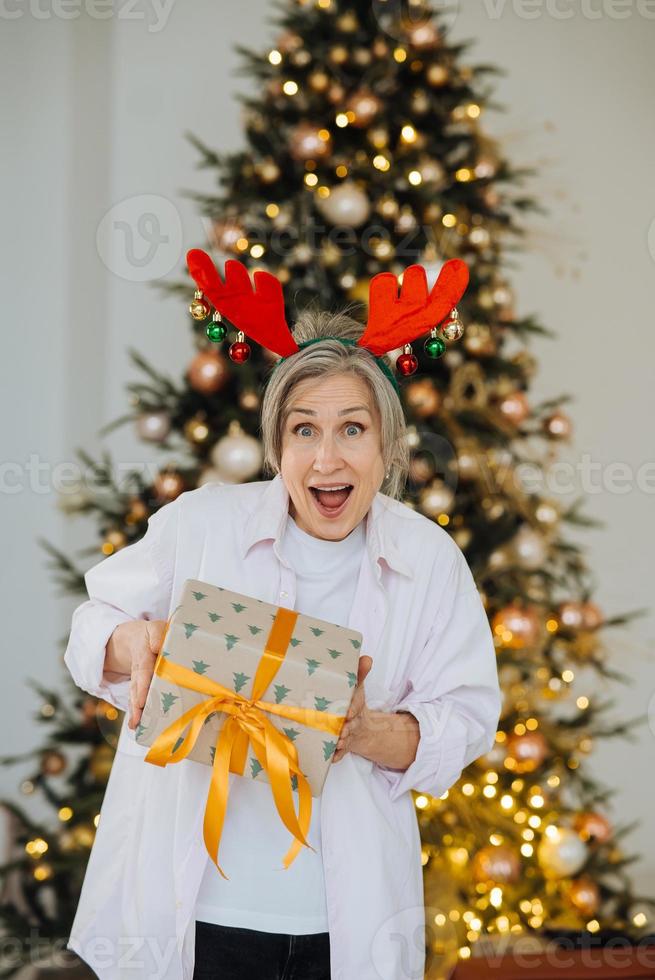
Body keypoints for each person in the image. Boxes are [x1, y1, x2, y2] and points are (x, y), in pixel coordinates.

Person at [63, 266, 502, 980]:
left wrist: (364, 732)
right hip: (196, 918)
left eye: (352, 430)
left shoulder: (427, 558)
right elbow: (90, 626)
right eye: (305, 430)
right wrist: (129, 641)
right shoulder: (200, 525)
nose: (327, 459)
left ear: (387, 449)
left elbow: (465, 719)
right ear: (276, 447)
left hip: (342, 927)